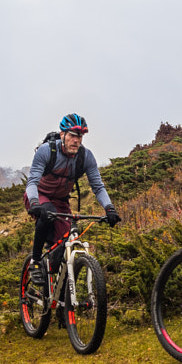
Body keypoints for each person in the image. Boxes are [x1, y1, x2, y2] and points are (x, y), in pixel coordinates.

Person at [25, 113, 119, 271]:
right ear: (62, 135)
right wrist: (35, 202)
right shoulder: (46, 151)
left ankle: (58, 287)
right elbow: (32, 182)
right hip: (39, 195)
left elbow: (97, 186)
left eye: (80, 136)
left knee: (63, 244)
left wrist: (109, 208)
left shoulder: (86, 156)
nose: (76, 140)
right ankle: (35, 261)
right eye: (72, 135)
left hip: (61, 201)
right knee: (46, 213)